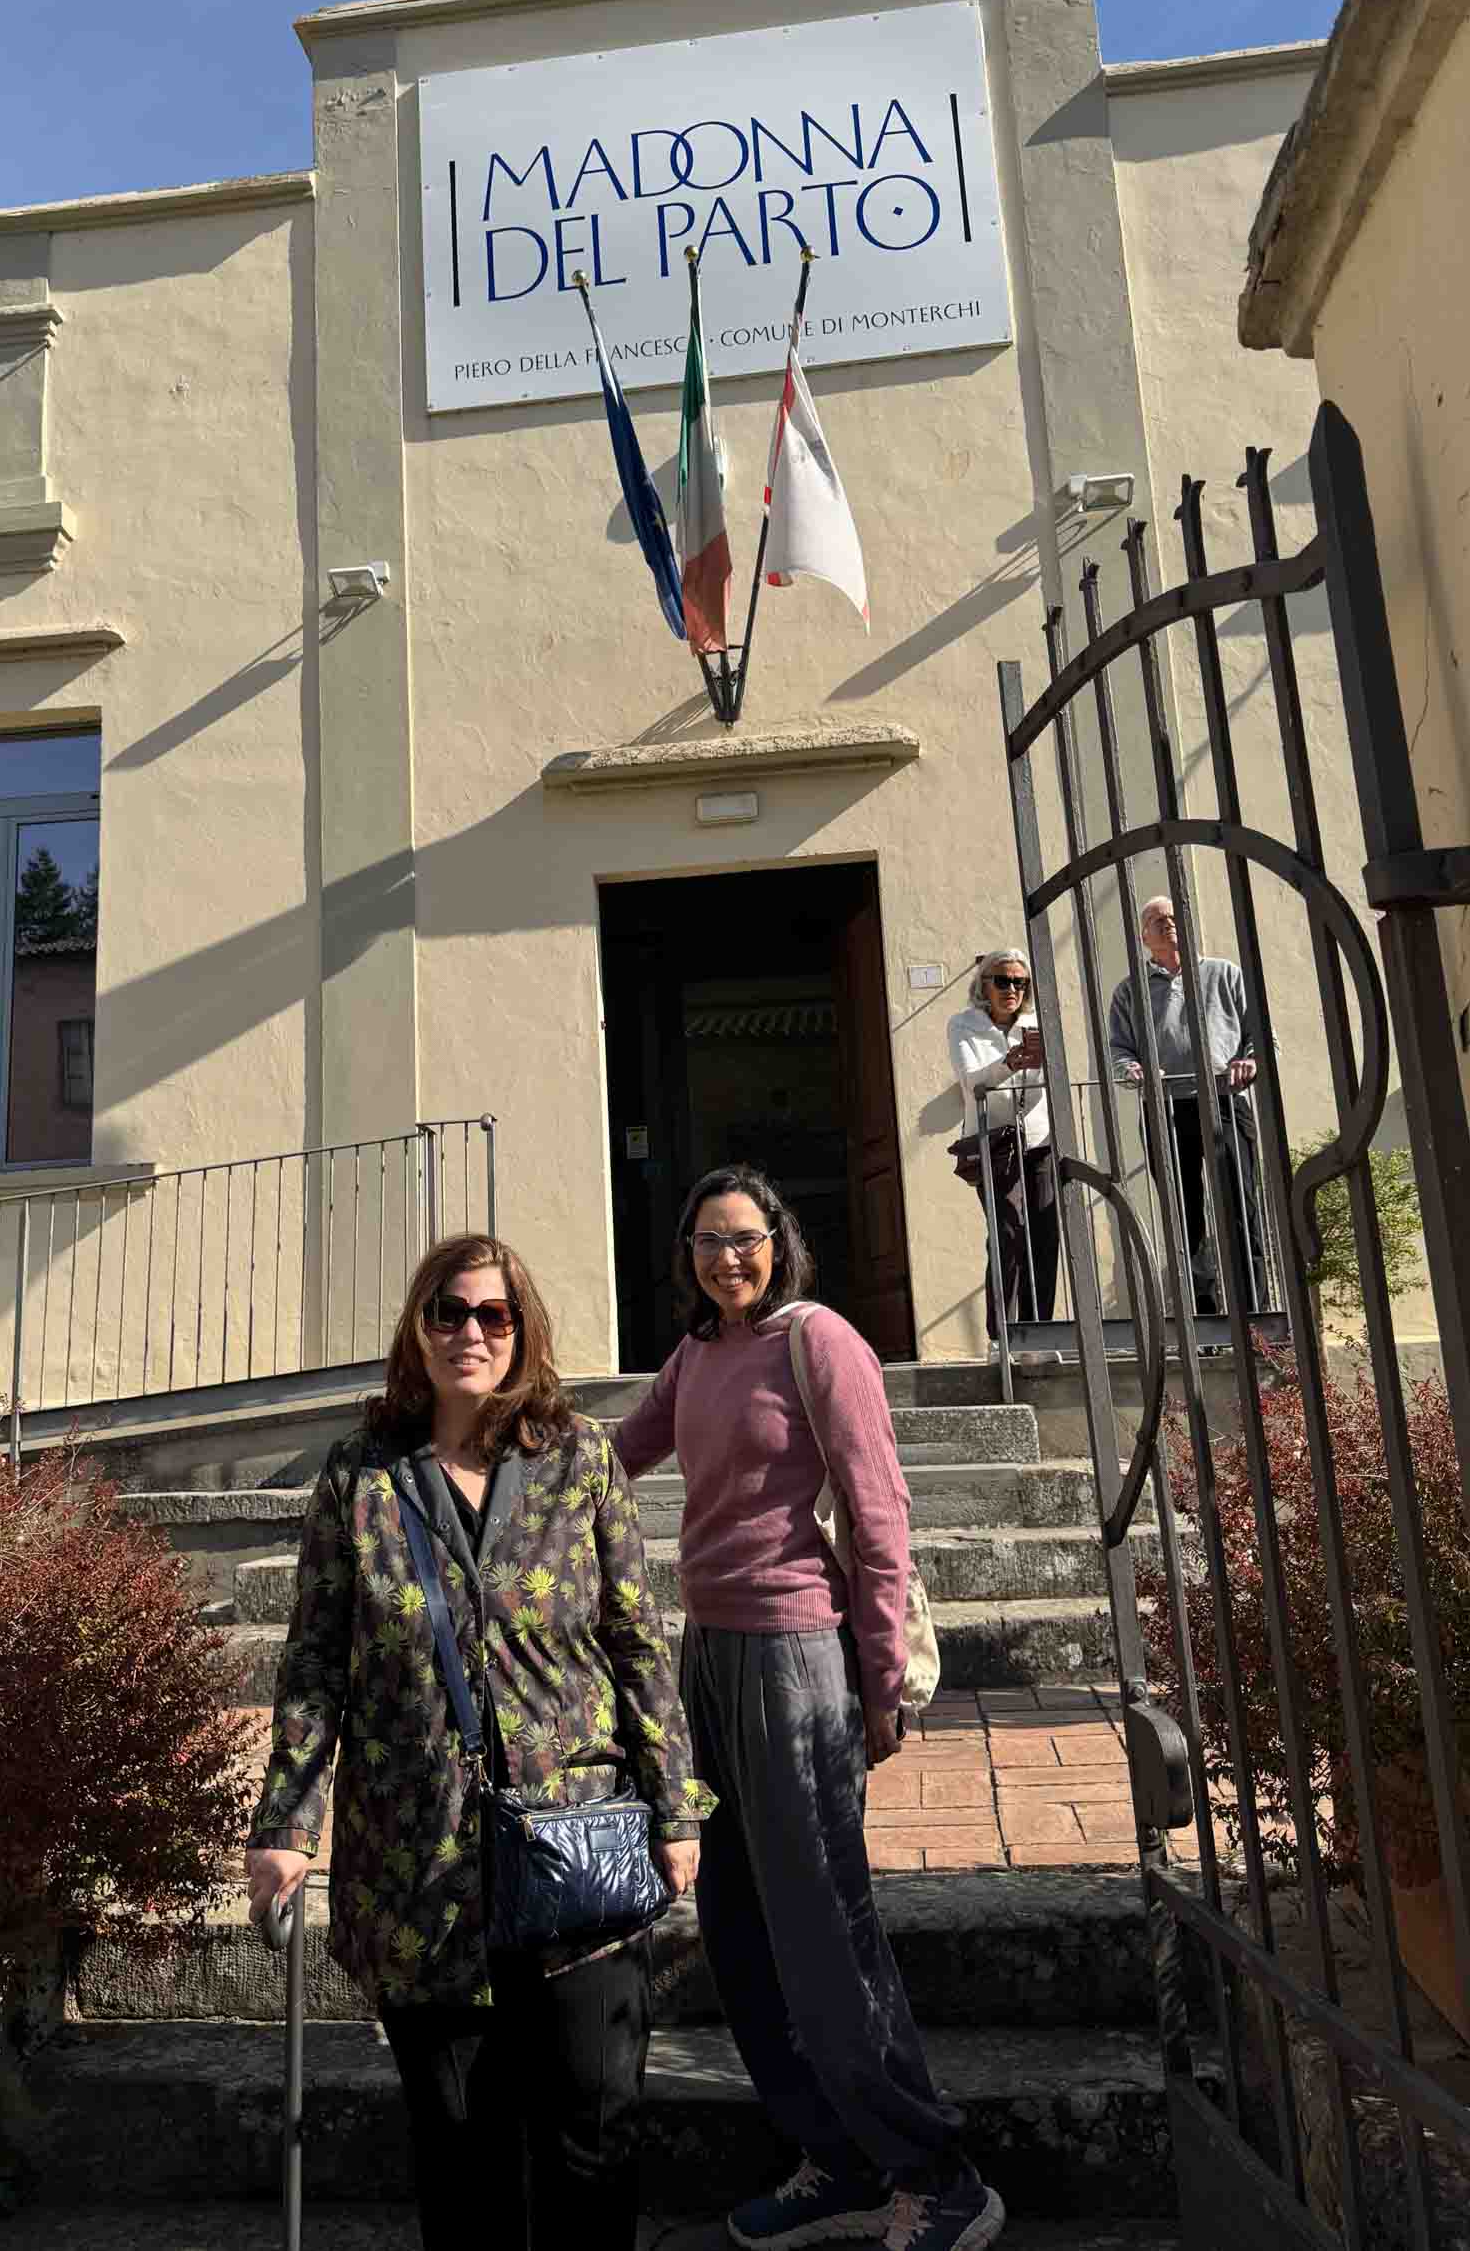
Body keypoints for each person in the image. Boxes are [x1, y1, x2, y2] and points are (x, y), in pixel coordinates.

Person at [245, 1232, 706, 2251]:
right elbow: (316, 1661)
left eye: (493, 1314)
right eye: (448, 1311)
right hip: (423, 1866)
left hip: (576, 1847)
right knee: (462, 2151)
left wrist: (677, 1806)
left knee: (592, 2136)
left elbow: (638, 1637)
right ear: (419, 1325)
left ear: (524, 1331)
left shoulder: (579, 1458)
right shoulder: (361, 1477)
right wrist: (285, 1822)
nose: (470, 1332)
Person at [616, 1165, 1006, 2251]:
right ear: (686, 1255)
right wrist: (491, 1459)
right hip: (710, 1655)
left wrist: (882, 1677)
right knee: (736, 1931)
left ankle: (938, 2170)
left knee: (824, 1931)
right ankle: (833, 2156)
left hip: (796, 1659)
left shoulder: (817, 1340)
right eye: (705, 1241)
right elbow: (612, 1458)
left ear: (779, 1242)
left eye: (745, 1238)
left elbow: (879, 1512)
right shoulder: (697, 1355)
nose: (726, 1258)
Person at [1108, 894, 1269, 1317]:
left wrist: (1249, 1060)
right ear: (1144, 936)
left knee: (1241, 1205)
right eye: (1156, 920)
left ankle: (1255, 1315)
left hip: (1224, 1101)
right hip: (1165, 1109)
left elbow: (1259, 1033)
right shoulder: (1130, 991)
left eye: (1174, 917)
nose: (1167, 924)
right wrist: (1133, 1071)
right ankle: (1205, 1319)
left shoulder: (1224, 973)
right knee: (1185, 1218)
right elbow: (1119, 1051)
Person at [947, 948, 1058, 1339]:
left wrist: (1043, 1059)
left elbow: (1054, 1080)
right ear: (984, 985)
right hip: (992, 1143)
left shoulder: (1037, 1022)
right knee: (1009, 1233)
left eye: (1019, 982)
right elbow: (972, 1083)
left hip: (1039, 1139)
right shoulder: (963, 1025)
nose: (1011, 988)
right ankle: (1005, 1337)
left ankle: (1040, 1333)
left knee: (1045, 1236)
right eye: (1002, 980)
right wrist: (1009, 1063)